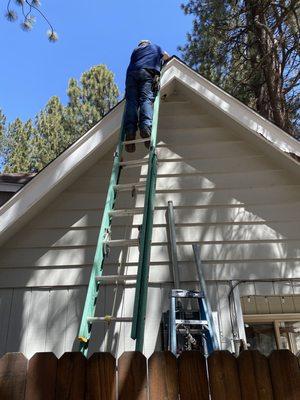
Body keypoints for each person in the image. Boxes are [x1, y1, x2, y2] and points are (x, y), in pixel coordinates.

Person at [123, 40, 170, 152]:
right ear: (148, 43)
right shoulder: (156, 47)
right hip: (147, 72)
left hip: (131, 75)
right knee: (146, 99)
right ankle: (145, 127)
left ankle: (130, 131)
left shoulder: (135, 51)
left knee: (132, 102)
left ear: (140, 45)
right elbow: (167, 56)